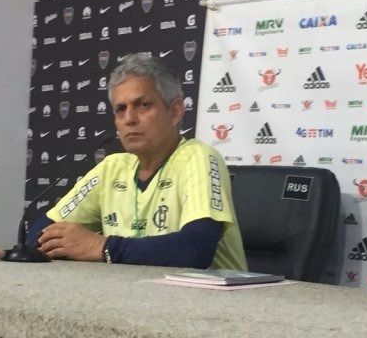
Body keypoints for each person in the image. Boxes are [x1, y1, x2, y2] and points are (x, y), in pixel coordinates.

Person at [36, 53, 247, 270]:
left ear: (175, 111)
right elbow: (39, 235)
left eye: (143, 105)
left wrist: (103, 247)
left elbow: (195, 250)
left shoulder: (197, 158)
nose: (129, 119)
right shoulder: (112, 168)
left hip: (212, 300)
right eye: (121, 109)